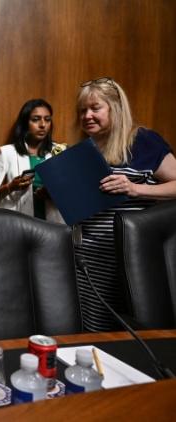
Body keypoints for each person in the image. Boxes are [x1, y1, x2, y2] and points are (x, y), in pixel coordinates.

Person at [74, 77, 176, 332]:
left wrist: (135, 188)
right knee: (92, 331)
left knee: (130, 332)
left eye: (95, 108)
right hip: (89, 259)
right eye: (82, 110)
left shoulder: (144, 140)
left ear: (116, 107)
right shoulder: (84, 149)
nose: (87, 116)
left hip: (130, 258)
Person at [0, 99, 65, 222]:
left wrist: (52, 193)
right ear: (25, 123)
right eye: (36, 119)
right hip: (19, 224)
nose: (43, 125)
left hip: (53, 224)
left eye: (47, 119)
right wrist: (11, 187)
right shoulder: (7, 153)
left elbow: (71, 195)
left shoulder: (59, 151)